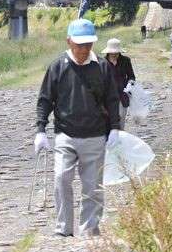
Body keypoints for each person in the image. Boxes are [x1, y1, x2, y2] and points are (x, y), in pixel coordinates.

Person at [35, 18, 121, 238]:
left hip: (95, 135)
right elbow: (45, 99)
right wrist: (40, 130)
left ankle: (89, 229)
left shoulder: (101, 66)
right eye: (79, 44)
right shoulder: (57, 67)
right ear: (69, 41)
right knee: (61, 178)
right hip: (65, 134)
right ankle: (64, 228)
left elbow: (112, 99)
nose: (83, 49)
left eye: (88, 44)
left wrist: (115, 128)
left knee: (92, 186)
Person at [102, 38, 135, 130]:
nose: (115, 55)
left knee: (120, 119)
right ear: (108, 52)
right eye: (112, 53)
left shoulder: (125, 60)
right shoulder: (102, 63)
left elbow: (131, 76)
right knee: (107, 121)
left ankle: (120, 141)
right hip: (107, 96)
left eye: (116, 53)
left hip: (122, 95)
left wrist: (130, 84)